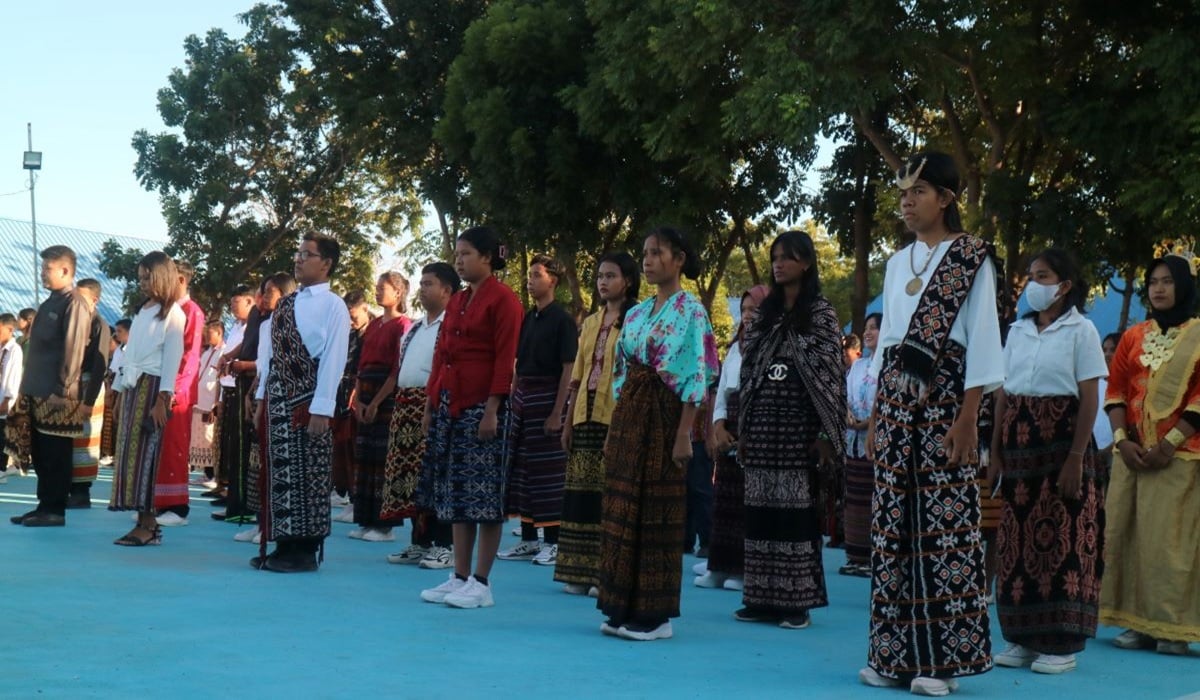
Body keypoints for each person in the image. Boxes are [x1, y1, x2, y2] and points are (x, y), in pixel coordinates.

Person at [860, 152, 1002, 696]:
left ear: (945, 198)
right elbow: (888, 347)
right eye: (902, 193)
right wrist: (876, 418)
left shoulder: (971, 258)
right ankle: (891, 655)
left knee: (943, 527)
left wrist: (970, 418)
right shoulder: (897, 263)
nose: (906, 201)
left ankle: (940, 663)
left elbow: (984, 341)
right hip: (896, 401)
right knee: (892, 522)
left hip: (948, 399)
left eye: (918, 191)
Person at [597, 227, 719, 642]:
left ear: (679, 259)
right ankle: (621, 604)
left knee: (657, 509)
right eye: (645, 253)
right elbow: (620, 373)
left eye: (657, 253)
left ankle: (654, 615)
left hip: (667, 415)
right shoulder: (636, 313)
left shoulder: (693, 311)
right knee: (623, 504)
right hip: (631, 413)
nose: (648, 260)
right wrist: (616, 425)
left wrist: (685, 432)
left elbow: (697, 375)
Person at [990, 249, 1108, 674]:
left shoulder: (1083, 331)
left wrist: (1076, 457)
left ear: (1064, 285)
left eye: (1043, 276)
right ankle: (1022, 636)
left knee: (1064, 537)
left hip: (1061, 441)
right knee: (1017, 541)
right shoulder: (1017, 332)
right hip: (1021, 443)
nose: (1033, 284)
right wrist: (997, 450)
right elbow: (1004, 391)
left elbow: (1090, 394)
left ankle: (1061, 643)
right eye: (1030, 276)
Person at [734, 231, 846, 630]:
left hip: (800, 428)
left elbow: (831, 376)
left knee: (795, 512)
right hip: (764, 425)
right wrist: (744, 428)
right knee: (761, 510)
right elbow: (750, 371)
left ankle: (795, 602)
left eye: (788, 257)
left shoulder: (821, 313)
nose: (779, 264)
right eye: (775, 258)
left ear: (807, 263)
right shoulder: (766, 315)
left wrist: (826, 436)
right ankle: (762, 598)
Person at [418, 226, 523, 609]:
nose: (459, 260)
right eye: (457, 254)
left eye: (466, 254)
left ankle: (482, 582)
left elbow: (504, 358)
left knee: (485, 497)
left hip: (484, 408)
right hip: (451, 404)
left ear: (487, 257)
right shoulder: (459, 300)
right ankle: (459, 576)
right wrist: (433, 403)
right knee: (455, 495)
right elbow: (441, 354)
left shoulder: (504, 300)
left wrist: (493, 409)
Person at [1101, 253, 1200, 656]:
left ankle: (1173, 628)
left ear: (1184, 287)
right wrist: (1122, 440)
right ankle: (1135, 621)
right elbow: (1116, 390)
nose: (1158, 289)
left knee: (1170, 543)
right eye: (1153, 282)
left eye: (1167, 282)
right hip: (1132, 456)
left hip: (1179, 456)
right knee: (1127, 534)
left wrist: (1167, 444)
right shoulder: (1133, 336)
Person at [251, 234, 350, 573]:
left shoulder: (334, 305)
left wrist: (323, 407)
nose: (298, 259)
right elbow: (272, 358)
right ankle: (283, 545)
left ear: (326, 263)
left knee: (309, 473)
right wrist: (262, 397)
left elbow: (335, 358)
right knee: (281, 470)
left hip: (309, 400)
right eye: (298, 253)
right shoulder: (286, 303)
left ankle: (304, 551)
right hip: (279, 398)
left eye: (307, 254)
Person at [555, 252, 639, 596]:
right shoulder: (590, 322)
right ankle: (578, 571)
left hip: (615, 415)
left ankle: (605, 573)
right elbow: (578, 375)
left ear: (628, 281)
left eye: (611, 276)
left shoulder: (637, 320)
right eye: (600, 276)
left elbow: (633, 375)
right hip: (584, 416)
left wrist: (621, 425)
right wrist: (567, 422)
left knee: (609, 495)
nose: (603, 282)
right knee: (580, 495)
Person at [498, 255, 578, 566]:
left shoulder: (563, 320)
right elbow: (518, 364)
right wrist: (512, 396)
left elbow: (568, 367)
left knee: (549, 474)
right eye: (529, 274)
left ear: (553, 281)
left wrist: (558, 411)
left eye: (537, 275)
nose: (530, 280)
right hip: (522, 400)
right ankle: (529, 539)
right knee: (522, 470)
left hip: (548, 397)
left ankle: (555, 542)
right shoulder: (528, 318)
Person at [381, 262, 460, 568]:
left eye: (429, 283)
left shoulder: (451, 325)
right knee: (412, 479)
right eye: (422, 283)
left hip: (433, 406)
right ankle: (420, 541)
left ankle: (444, 544)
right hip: (405, 406)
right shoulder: (415, 327)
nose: (423, 288)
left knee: (437, 475)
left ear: (447, 290)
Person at [9, 246, 95, 528]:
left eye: (47, 268)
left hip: (57, 395)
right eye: (42, 267)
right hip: (37, 392)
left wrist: (62, 389)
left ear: (66, 271)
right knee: (42, 453)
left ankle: (55, 509)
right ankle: (43, 505)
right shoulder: (49, 303)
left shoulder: (75, 303)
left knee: (56, 453)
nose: (42, 273)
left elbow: (73, 352)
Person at [109, 251, 186, 546]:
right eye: (140, 277)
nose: (142, 282)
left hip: (153, 389)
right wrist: (118, 393)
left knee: (147, 456)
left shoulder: (173, 314)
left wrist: (163, 399)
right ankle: (141, 521)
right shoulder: (143, 310)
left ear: (163, 276)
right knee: (131, 455)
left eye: (147, 277)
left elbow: (172, 358)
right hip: (133, 387)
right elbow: (130, 355)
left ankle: (150, 524)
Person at [696, 284, 768, 591]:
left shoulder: (770, 344)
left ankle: (742, 570)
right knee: (723, 500)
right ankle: (718, 566)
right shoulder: (735, 347)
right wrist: (719, 426)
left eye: (754, 309)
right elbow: (723, 390)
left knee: (745, 503)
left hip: (756, 423)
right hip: (730, 423)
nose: (748, 315)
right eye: (744, 310)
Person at [225, 274, 294, 525]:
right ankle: (244, 510)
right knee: (249, 453)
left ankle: (261, 516)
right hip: (257, 388)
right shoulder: (263, 321)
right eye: (262, 292)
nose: (263, 298)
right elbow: (263, 358)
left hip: (280, 393)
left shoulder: (289, 322)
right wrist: (253, 390)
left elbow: (271, 362)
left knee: (268, 456)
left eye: (269, 293)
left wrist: (254, 381)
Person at [349, 272, 412, 542]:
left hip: (387, 395)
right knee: (364, 456)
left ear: (398, 293)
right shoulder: (373, 326)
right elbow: (362, 364)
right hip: (366, 389)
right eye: (376, 287)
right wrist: (359, 397)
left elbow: (398, 368)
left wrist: (376, 402)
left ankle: (384, 526)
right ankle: (366, 520)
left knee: (384, 458)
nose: (376, 292)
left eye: (382, 288)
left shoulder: (403, 325)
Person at [153, 262, 205, 526]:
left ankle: (178, 506)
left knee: (174, 447)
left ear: (181, 279)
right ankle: (160, 504)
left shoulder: (192, 312)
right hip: (162, 387)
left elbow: (190, 356)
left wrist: (174, 390)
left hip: (176, 393)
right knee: (161, 447)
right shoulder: (167, 310)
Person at [840, 312, 880, 578]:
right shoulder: (858, 366)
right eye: (866, 328)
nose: (867, 333)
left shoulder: (889, 364)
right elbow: (844, 395)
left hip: (876, 441)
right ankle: (854, 555)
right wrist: (848, 416)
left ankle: (872, 557)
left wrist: (869, 423)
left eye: (874, 328)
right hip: (852, 441)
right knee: (853, 498)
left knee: (872, 499)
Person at [68, 278, 112, 508]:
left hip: (89, 389)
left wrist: (89, 400)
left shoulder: (100, 325)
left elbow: (99, 366)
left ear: (94, 300)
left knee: (85, 442)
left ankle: (81, 493)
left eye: (81, 298)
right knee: (70, 439)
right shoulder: (74, 322)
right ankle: (69, 488)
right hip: (71, 389)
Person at [331, 290, 370, 522]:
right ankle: (346, 494)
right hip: (342, 394)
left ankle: (357, 500)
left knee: (357, 450)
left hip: (361, 396)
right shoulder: (351, 334)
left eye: (354, 315)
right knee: (343, 449)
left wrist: (357, 391)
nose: (351, 321)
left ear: (365, 309)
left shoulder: (371, 333)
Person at [211, 284, 254, 484]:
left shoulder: (253, 327)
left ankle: (231, 488)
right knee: (226, 441)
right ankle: (223, 485)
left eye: (236, 302)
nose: (233, 307)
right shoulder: (236, 326)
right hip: (228, 387)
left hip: (244, 386)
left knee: (237, 441)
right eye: (231, 303)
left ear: (249, 301)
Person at [189, 321, 225, 483]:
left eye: (210, 333)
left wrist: (216, 403)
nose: (207, 336)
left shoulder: (224, 352)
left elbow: (221, 379)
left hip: (210, 402)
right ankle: (206, 473)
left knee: (210, 439)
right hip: (199, 401)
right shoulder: (206, 352)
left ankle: (213, 475)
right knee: (200, 438)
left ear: (219, 333)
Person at [100, 318, 131, 466]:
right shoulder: (120, 349)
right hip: (115, 388)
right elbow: (114, 371)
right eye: (116, 331)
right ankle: (113, 454)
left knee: (124, 422)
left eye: (120, 331)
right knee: (113, 421)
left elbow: (124, 372)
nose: (117, 335)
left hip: (126, 389)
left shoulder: (133, 349)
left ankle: (122, 455)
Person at [0, 313, 24, 483]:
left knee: (2, 435)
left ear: (10, 329)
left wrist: (7, 399)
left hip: (5, 398)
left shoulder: (15, 351)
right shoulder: (1, 349)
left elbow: (13, 377)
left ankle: (1, 469)